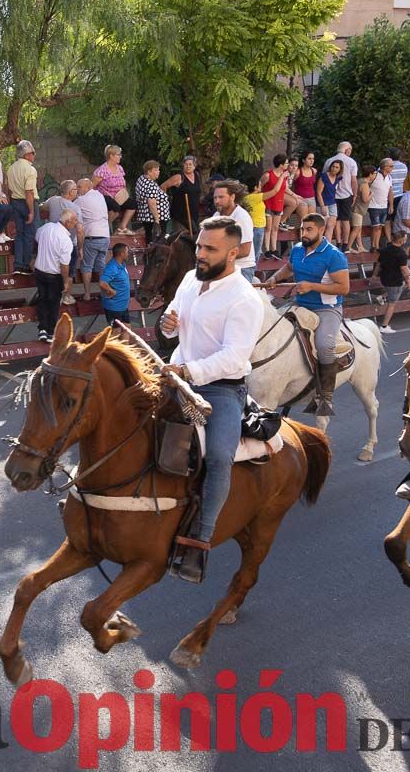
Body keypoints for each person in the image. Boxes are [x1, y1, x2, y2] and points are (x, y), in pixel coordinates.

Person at [158, 215, 264, 582]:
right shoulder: (190, 279)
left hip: (219, 389)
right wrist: (167, 325)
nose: (200, 254)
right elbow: (172, 320)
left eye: (209, 249)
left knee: (219, 457)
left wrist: (188, 372)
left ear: (233, 254)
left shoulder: (245, 299)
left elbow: (234, 357)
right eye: (200, 246)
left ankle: (198, 545)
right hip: (176, 377)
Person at [263, 213, 349, 416]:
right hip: (300, 305)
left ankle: (325, 396)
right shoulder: (298, 249)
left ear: (321, 230)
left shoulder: (334, 255)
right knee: (272, 330)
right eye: (303, 229)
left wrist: (311, 286)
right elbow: (289, 268)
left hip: (326, 308)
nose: (305, 233)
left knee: (325, 346)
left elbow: (344, 288)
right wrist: (274, 278)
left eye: (309, 229)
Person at [34, 210, 77, 341]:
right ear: (68, 222)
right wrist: (65, 282)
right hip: (54, 274)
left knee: (42, 299)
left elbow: (36, 237)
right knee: (53, 303)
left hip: (40, 270)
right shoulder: (66, 240)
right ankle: (50, 332)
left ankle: (42, 328)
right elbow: (64, 265)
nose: (76, 223)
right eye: (74, 220)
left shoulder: (45, 228)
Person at [45, 180, 84, 305]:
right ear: (70, 192)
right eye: (75, 190)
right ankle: (66, 296)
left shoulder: (52, 200)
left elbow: (42, 207)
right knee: (69, 272)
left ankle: (54, 295)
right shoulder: (75, 208)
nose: (77, 192)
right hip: (69, 243)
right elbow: (80, 230)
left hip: (52, 243)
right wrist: (81, 247)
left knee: (54, 270)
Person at [74, 179, 112, 302]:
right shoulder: (99, 195)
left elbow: (70, 208)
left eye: (79, 187)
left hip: (91, 237)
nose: (78, 190)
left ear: (87, 187)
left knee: (87, 266)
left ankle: (87, 294)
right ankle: (104, 292)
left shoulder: (81, 200)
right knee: (101, 266)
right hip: (105, 236)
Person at [210, 179, 256, 279]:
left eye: (221, 197)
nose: (217, 201)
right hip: (222, 267)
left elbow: (245, 250)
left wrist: (218, 256)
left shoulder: (241, 216)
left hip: (242, 268)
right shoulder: (216, 216)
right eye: (215, 198)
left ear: (232, 197)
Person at [8, 140, 39, 274]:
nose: (34, 155)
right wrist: (31, 211)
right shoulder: (30, 169)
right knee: (29, 235)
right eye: (33, 152)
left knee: (19, 234)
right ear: (27, 155)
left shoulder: (11, 168)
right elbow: (29, 192)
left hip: (15, 201)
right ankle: (26, 265)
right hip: (28, 203)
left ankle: (18, 264)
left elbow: (9, 189)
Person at [371, 230, 410, 333]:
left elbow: (379, 264)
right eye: (405, 239)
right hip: (395, 280)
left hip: (384, 278)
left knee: (394, 292)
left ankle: (383, 296)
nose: (406, 240)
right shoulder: (401, 253)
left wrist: (374, 275)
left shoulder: (385, 250)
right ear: (401, 240)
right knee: (392, 304)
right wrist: (409, 281)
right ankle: (384, 326)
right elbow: (404, 269)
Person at [92, 145, 134, 235]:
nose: (120, 156)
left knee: (133, 204)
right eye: (118, 155)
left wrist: (124, 193)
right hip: (105, 195)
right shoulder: (102, 170)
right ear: (111, 155)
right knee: (116, 208)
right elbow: (92, 186)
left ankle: (122, 227)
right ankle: (103, 227)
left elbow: (123, 182)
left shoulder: (119, 168)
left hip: (119, 195)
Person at [323, 141, 358, 247]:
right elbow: (354, 180)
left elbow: (324, 177)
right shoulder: (351, 162)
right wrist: (355, 194)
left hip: (332, 195)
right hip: (346, 194)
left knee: (336, 220)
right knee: (346, 220)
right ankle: (345, 243)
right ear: (347, 150)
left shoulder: (329, 161)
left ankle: (338, 242)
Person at [162, 155, 202, 235]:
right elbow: (163, 186)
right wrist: (165, 202)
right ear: (183, 165)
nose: (188, 166)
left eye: (190, 164)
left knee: (196, 232)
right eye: (186, 164)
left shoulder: (197, 175)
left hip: (194, 211)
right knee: (195, 233)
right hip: (182, 212)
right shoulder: (179, 177)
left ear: (194, 166)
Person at [260, 154, 289, 259]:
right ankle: (267, 249)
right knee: (268, 227)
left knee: (275, 228)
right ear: (281, 165)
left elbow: (284, 188)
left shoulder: (284, 176)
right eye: (286, 163)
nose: (288, 165)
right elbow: (260, 187)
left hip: (279, 203)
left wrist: (294, 196)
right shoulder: (268, 175)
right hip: (268, 203)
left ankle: (274, 248)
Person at [135, 160, 169, 243]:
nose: (158, 172)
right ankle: (156, 255)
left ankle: (150, 254)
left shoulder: (141, 179)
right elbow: (152, 203)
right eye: (156, 170)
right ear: (149, 172)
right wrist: (157, 220)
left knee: (150, 238)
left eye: (158, 170)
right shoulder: (151, 185)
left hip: (146, 216)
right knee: (158, 239)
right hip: (156, 217)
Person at [99, 242, 131, 325]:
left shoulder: (122, 264)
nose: (128, 254)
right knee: (115, 332)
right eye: (127, 252)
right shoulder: (112, 267)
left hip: (123, 306)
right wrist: (111, 291)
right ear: (122, 253)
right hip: (114, 307)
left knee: (127, 328)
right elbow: (102, 283)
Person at [368, 158, 395, 248]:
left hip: (384, 205)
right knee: (375, 226)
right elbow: (365, 184)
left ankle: (376, 245)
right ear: (385, 166)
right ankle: (373, 245)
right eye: (391, 166)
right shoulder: (374, 175)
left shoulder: (389, 177)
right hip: (373, 205)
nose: (392, 168)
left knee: (380, 226)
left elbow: (390, 192)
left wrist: (391, 205)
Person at [241, 175, 266, 263]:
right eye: (259, 185)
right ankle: (253, 272)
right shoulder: (255, 197)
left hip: (252, 226)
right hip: (258, 227)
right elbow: (275, 191)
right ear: (255, 187)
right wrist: (281, 178)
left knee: (253, 251)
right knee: (256, 253)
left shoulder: (246, 198)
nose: (261, 186)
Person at [317, 159, 342, 243]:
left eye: (337, 167)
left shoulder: (338, 178)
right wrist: (323, 206)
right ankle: (318, 245)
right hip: (323, 203)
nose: (334, 169)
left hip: (332, 203)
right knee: (322, 226)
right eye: (333, 166)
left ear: (340, 169)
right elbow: (318, 192)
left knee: (331, 226)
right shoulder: (324, 177)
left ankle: (327, 245)